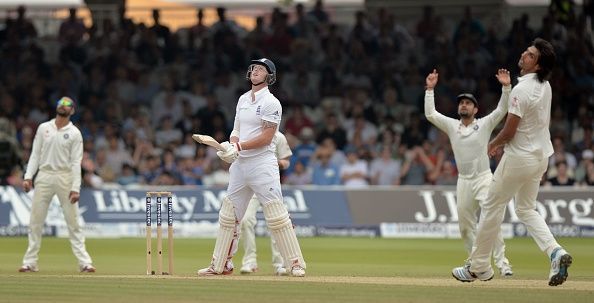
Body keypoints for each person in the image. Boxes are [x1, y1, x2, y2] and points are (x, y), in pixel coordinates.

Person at [452, 38, 572, 286]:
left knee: (492, 205)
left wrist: (494, 144)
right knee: (526, 209)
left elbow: (509, 130)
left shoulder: (521, 90)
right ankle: (555, 252)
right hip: (541, 157)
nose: (523, 54)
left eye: (529, 54)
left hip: (520, 157)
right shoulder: (545, 86)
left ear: (537, 65)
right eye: (526, 51)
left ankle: (478, 267)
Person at [197, 58, 306, 277]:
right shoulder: (243, 99)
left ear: (269, 76)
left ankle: (295, 263)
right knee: (229, 215)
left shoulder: (271, 103)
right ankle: (220, 265)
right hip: (240, 164)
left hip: (262, 164)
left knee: (276, 215)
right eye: (254, 68)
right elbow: (236, 129)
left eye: (261, 69)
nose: (256, 70)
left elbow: (267, 138)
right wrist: (231, 147)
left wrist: (239, 145)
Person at [424, 68, 514, 276]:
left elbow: (502, 110)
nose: (463, 105)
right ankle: (477, 264)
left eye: (468, 103)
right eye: (461, 102)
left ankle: (503, 263)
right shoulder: (452, 126)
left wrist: (506, 87)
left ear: (475, 109)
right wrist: (430, 89)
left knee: (490, 221)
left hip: (483, 178)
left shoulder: (484, 124)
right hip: (463, 181)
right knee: (465, 227)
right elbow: (430, 114)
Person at [19, 96, 95, 273]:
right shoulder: (44, 128)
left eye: (68, 105)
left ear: (72, 111)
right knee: (35, 221)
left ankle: (84, 262)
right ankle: (30, 262)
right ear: (57, 107)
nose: (64, 106)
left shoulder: (75, 133)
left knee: (73, 221)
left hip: (65, 177)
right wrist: (28, 176)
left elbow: (77, 162)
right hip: (44, 176)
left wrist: (76, 188)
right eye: (62, 104)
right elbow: (35, 154)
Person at [239, 132, 292, 276]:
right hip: (251, 187)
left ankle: (279, 263)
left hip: (270, 186)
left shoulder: (278, 137)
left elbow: (286, 161)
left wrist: (277, 163)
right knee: (245, 220)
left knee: (276, 223)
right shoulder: (248, 133)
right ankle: (250, 262)